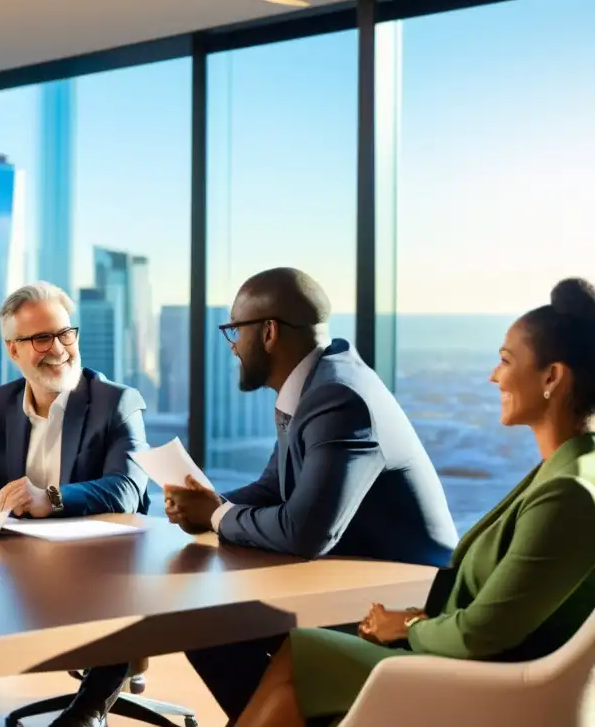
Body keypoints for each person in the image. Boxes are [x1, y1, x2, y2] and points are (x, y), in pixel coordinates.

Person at [237, 277, 595, 727]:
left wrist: (408, 627)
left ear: (552, 377)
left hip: (485, 686)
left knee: (298, 667)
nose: (494, 375)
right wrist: (415, 618)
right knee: (299, 657)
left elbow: (482, 634)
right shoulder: (567, 470)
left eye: (505, 361)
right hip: (484, 665)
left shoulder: (569, 494)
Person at [165, 267, 458, 720]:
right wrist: (204, 504)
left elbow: (304, 531)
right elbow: (273, 487)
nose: (232, 347)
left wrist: (217, 516)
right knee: (206, 625)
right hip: (349, 580)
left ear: (268, 332)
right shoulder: (316, 383)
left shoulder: (338, 396)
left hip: (400, 602)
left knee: (212, 623)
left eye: (233, 331)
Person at [0, 281, 150, 727]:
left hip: (105, 565)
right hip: (22, 566)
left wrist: (53, 498)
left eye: (66, 333)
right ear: (13, 350)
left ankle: (87, 712)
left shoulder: (117, 402)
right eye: (41, 338)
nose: (59, 349)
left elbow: (126, 487)